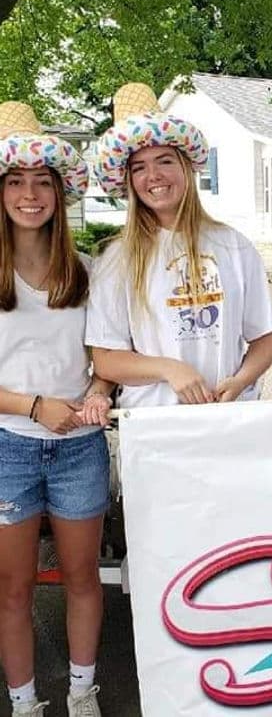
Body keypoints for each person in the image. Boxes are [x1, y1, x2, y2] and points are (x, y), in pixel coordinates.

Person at [0, 102, 114, 716]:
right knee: (13, 588)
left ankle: (83, 692)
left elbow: (106, 362)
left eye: (43, 180)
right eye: (15, 181)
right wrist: (34, 405)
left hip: (78, 451)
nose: (29, 193)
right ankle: (23, 704)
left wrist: (100, 391)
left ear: (60, 192)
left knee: (81, 580)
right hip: (7, 449)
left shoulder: (88, 274)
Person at [86, 82, 272, 410]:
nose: (154, 175)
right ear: (129, 181)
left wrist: (240, 380)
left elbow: (265, 339)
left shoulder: (234, 246)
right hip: (154, 425)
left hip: (227, 416)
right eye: (139, 168)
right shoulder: (117, 259)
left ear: (187, 166)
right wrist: (170, 369)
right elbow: (106, 360)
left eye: (164, 161)